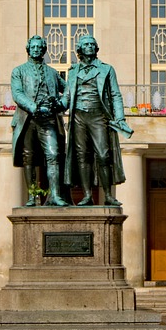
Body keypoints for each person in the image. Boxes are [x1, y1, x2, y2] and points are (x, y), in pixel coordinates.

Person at [63, 34, 132, 205]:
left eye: (92, 44)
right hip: (78, 116)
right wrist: (53, 105)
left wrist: (120, 117)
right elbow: (67, 96)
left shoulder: (107, 69)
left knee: (103, 155)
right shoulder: (72, 72)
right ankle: (87, 195)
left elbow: (115, 95)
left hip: (98, 115)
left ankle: (108, 195)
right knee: (82, 156)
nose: (90, 47)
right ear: (79, 49)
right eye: (86, 44)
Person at [10, 35, 67, 206]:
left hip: (48, 119)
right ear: (28, 49)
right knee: (29, 158)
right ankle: (32, 196)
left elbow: (68, 91)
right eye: (33, 47)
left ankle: (55, 195)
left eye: (39, 47)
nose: (36, 50)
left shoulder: (52, 73)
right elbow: (17, 93)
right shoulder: (18, 71)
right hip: (28, 119)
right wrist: (34, 107)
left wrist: (60, 104)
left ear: (44, 50)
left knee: (53, 155)